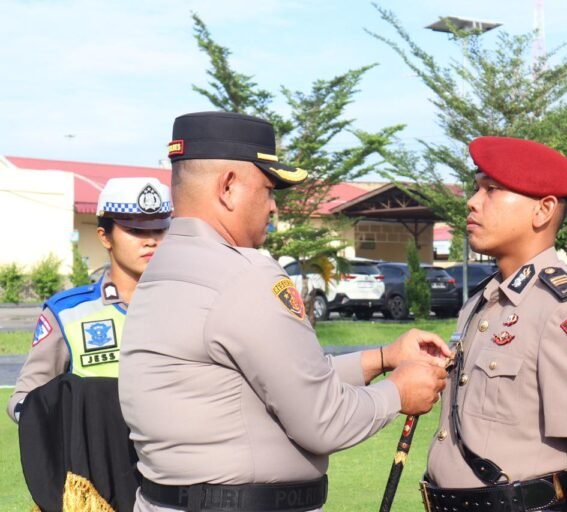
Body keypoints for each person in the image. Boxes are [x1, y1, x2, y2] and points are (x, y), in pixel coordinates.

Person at [118, 111, 450, 512]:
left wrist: (381, 359)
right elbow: (324, 419)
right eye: (268, 188)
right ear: (228, 187)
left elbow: (272, 380)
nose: (273, 207)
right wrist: (398, 392)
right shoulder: (244, 274)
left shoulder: (162, 269)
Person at [422, 137, 567, 512]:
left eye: (491, 190)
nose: (472, 201)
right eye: (475, 188)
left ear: (543, 210)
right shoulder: (482, 302)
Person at [7, 176, 172, 510]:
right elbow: (25, 398)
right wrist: (64, 423)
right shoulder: (68, 312)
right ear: (105, 237)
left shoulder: (191, 304)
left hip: (174, 479)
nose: (151, 241)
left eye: (159, 229)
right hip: (98, 486)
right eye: (136, 230)